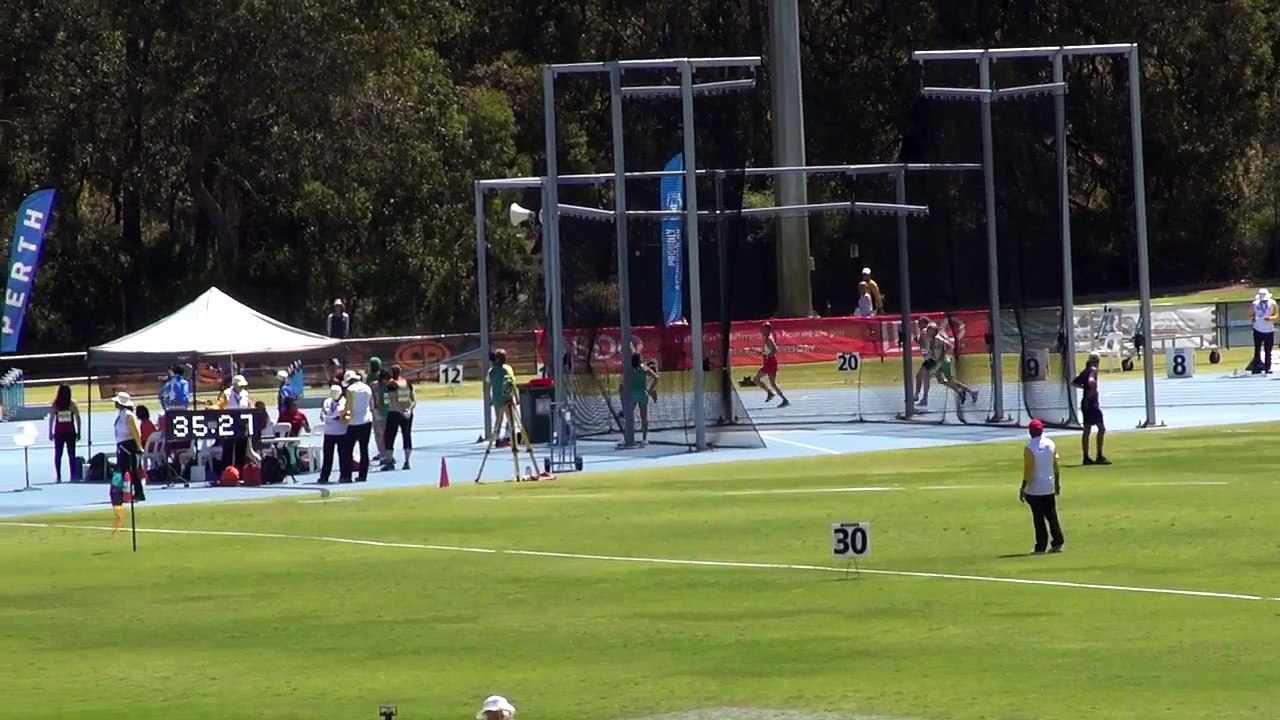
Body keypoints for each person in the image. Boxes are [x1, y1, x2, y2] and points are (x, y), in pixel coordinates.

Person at [1020, 419, 1064, 554]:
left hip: (1035, 489)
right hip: (1048, 486)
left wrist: (1023, 487)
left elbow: (1029, 470)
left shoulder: (1029, 448)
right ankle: (1058, 541)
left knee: (1038, 518)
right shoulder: (1051, 444)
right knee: (1051, 515)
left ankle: (1041, 546)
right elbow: (1055, 465)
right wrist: (1057, 483)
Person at [918, 321, 978, 409]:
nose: (928, 332)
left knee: (936, 378)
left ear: (934, 331)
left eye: (930, 330)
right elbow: (933, 351)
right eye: (928, 330)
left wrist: (941, 358)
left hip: (942, 362)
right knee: (942, 381)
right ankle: (968, 391)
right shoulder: (932, 340)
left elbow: (948, 346)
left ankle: (925, 399)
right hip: (936, 362)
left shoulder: (938, 339)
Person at [1071, 351, 1110, 465]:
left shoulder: (1086, 370)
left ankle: (1086, 457)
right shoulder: (1093, 370)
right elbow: (1091, 381)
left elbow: (1074, 383)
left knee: (1087, 429)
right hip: (1091, 403)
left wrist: (1084, 387)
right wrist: (1090, 391)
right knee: (1101, 428)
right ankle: (1099, 455)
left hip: (1085, 403)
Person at [341, 369, 374, 483]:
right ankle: (363, 475)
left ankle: (347, 476)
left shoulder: (350, 390)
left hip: (354, 423)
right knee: (364, 449)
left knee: (347, 450)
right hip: (367, 421)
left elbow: (349, 409)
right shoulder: (367, 388)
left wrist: (344, 419)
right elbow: (372, 405)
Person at [621, 352, 659, 447]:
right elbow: (656, 377)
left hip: (633, 395)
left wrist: (625, 393)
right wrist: (650, 389)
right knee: (643, 417)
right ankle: (644, 439)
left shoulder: (629, 370)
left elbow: (623, 384)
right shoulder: (644, 368)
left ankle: (627, 437)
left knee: (629, 417)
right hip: (642, 393)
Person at [112, 392, 145, 503]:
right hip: (122, 445)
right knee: (122, 470)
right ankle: (122, 492)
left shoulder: (128, 415)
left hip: (128, 445)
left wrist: (139, 447)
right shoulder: (122, 414)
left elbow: (136, 432)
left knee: (131, 470)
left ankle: (138, 493)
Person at [216, 375, 252, 470]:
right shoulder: (227, 393)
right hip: (229, 425)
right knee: (228, 451)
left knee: (241, 451)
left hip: (242, 424)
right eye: (239, 385)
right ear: (234, 384)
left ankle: (240, 474)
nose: (241, 387)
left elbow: (248, 405)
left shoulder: (245, 393)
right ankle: (226, 473)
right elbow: (219, 406)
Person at [383, 365, 416, 471]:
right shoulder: (407, 382)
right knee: (407, 436)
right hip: (407, 412)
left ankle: (389, 461)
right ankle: (407, 461)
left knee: (389, 437)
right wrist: (409, 410)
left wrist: (401, 411)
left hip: (394, 413)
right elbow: (414, 399)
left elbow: (393, 401)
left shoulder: (391, 384)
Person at [48, 384, 81, 483]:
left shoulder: (56, 405)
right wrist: (79, 431)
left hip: (59, 432)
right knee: (71, 454)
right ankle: (73, 475)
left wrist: (50, 431)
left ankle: (58, 476)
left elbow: (51, 419)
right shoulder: (72, 404)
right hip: (70, 432)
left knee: (58, 455)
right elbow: (78, 418)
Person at [753, 322, 789, 407]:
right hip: (768, 362)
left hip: (770, 362)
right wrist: (762, 353)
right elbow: (768, 350)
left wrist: (766, 355)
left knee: (763, 380)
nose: (761, 330)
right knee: (761, 380)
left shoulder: (769, 338)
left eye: (763, 329)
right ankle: (772, 394)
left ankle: (781, 398)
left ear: (767, 329)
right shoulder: (766, 338)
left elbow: (775, 349)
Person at [486, 349, 518, 447]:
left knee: (499, 420)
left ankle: (497, 438)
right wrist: (516, 396)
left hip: (497, 399)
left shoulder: (492, 371)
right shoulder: (506, 369)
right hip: (507, 398)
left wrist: (490, 398)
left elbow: (488, 385)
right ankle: (507, 437)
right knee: (509, 419)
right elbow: (512, 383)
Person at [317, 385, 346, 485]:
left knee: (343, 455)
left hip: (341, 432)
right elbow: (324, 414)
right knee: (327, 456)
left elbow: (342, 415)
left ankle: (344, 475)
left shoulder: (345, 402)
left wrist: (333, 417)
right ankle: (324, 476)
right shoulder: (327, 401)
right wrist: (332, 417)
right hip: (329, 432)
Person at [1251, 288, 1278, 374]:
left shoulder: (1273, 303)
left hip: (1269, 329)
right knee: (1257, 349)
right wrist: (1253, 318)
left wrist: (1270, 318)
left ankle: (1268, 367)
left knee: (1268, 350)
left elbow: (1276, 314)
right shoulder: (1254, 303)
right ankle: (1257, 366)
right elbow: (1251, 314)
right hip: (1257, 328)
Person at [369, 358, 389, 467]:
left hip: (383, 410)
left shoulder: (387, 385)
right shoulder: (374, 384)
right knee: (380, 433)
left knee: (383, 433)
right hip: (378, 409)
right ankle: (383, 453)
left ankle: (385, 452)